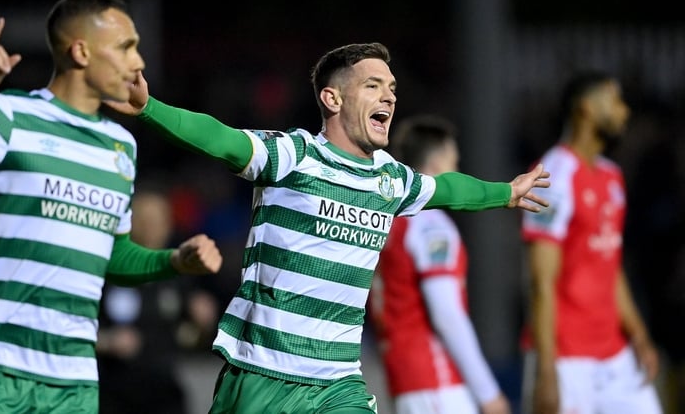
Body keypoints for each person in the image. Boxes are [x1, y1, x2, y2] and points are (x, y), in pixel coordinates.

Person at [106, 41, 551, 413]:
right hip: (264, 374)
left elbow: (448, 188)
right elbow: (221, 139)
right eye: (373, 86)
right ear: (332, 99)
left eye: (392, 88)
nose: (390, 97)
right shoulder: (293, 157)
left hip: (338, 381)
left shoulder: (390, 179)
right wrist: (149, 108)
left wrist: (506, 193)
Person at [0, 0, 223, 414]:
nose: (138, 61)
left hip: (75, 379)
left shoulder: (120, 145)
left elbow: (113, 255)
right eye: (126, 47)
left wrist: (173, 262)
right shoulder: (9, 114)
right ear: (82, 51)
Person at [520, 70, 663, 414]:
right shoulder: (553, 175)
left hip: (615, 354)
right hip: (568, 360)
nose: (624, 111)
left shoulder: (612, 176)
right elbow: (541, 280)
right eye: (614, 100)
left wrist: (638, 333)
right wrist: (547, 368)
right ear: (585, 108)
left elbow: (609, 263)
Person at [368, 115, 511, 414]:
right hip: (437, 383)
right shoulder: (430, 224)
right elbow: (447, 313)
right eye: (454, 165)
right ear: (436, 169)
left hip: (404, 381)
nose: (458, 173)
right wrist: (488, 393)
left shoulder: (388, 221)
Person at [97, 181, 220, 414]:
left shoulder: (178, 275)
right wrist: (108, 341)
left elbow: (190, 339)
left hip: (163, 395)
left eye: (160, 220)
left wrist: (202, 323)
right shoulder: (108, 271)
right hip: (113, 395)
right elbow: (76, 329)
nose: (154, 228)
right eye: (146, 220)